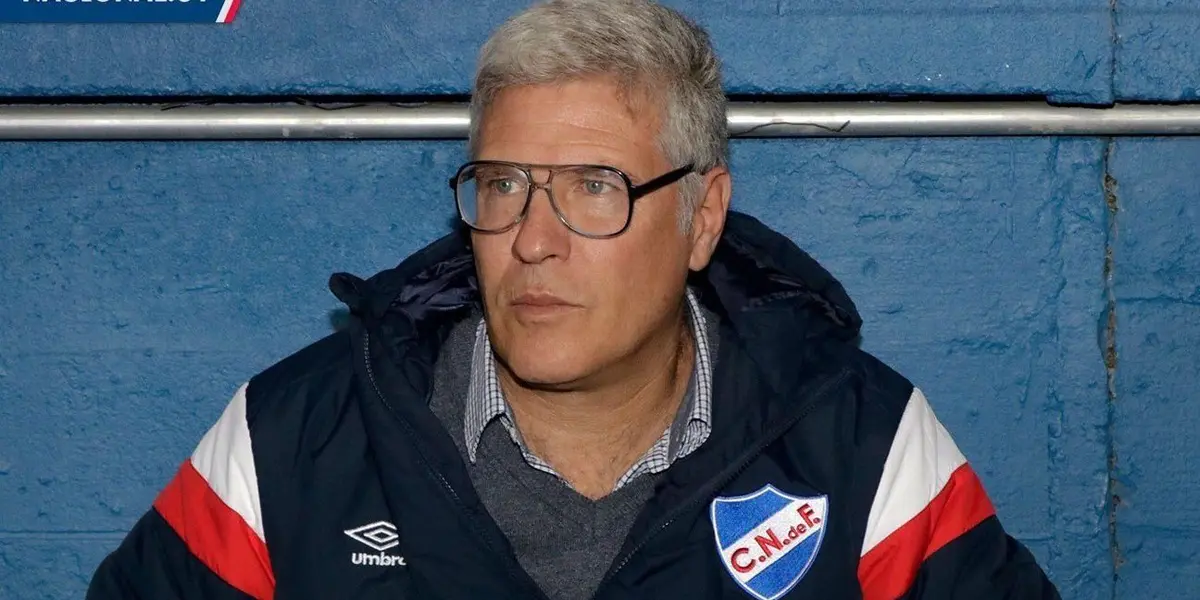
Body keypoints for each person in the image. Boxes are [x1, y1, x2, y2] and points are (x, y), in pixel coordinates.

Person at [86, 0, 1061, 598]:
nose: (533, 239)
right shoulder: (286, 444)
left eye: (595, 186)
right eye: (504, 184)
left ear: (703, 216)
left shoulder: (864, 450)